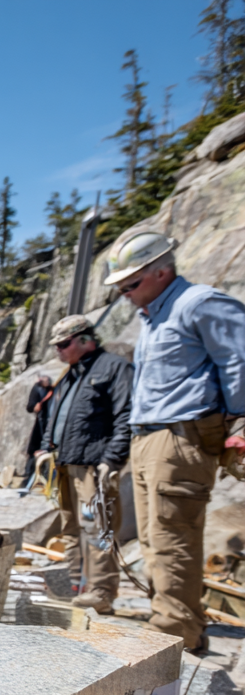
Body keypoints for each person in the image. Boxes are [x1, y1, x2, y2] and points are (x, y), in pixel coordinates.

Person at [105, 229, 245, 651]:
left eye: (131, 284)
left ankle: (174, 635)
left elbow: (238, 359)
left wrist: (240, 423)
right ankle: (174, 619)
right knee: (151, 539)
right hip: (150, 438)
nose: (125, 295)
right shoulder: (155, 317)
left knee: (172, 537)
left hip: (180, 437)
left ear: (162, 271)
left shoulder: (199, 304)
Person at [41, 315, 133, 613]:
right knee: (71, 526)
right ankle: (74, 584)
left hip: (94, 464)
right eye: (56, 346)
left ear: (85, 339)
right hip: (66, 463)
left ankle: (101, 590)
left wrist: (112, 459)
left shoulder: (114, 368)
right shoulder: (70, 375)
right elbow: (56, 417)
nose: (59, 350)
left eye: (64, 344)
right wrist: (45, 448)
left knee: (98, 526)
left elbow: (126, 415)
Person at [19, 374, 52, 493]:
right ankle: (29, 479)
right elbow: (30, 407)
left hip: (51, 424)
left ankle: (47, 480)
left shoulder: (54, 389)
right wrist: (35, 407)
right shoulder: (37, 388)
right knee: (35, 452)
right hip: (41, 425)